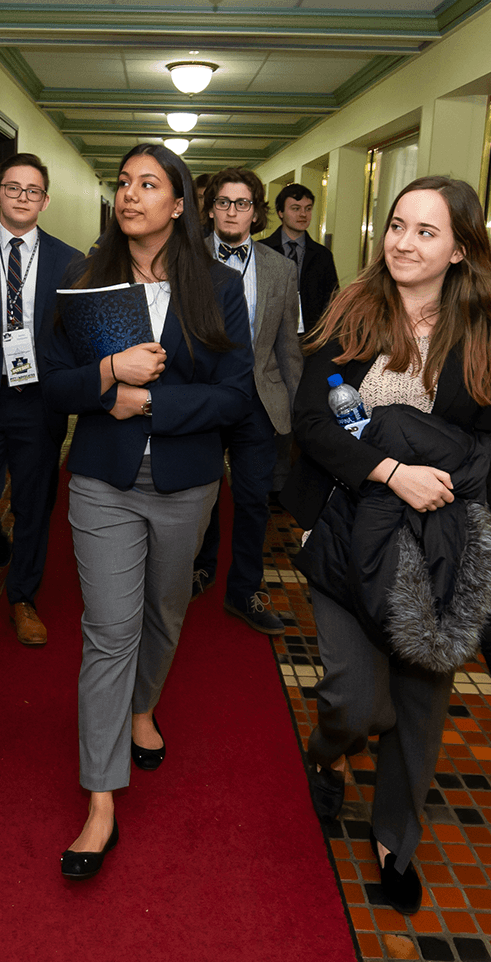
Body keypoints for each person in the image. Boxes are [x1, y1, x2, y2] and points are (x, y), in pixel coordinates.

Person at [281, 176, 491, 915]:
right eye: (396, 225)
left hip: (433, 547)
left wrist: (430, 475)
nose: (403, 242)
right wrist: (390, 468)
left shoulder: (484, 330)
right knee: (355, 702)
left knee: (418, 705)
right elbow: (314, 420)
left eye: (425, 231)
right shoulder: (350, 314)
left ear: (458, 249)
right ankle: (327, 757)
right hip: (341, 534)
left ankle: (395, 840)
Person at [41, 144, 253, 880]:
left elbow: (235, 395)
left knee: (163, 614)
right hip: (101, 479)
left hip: (186, 482)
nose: (130, 195)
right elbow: (53, 385)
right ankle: (100, 802)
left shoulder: (217, 288)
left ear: (177, 205)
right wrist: (107, 375)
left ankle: (143, 708)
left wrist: (151, 401)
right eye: (123, 183)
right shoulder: (81, 281)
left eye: (148, 184)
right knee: (108, 630)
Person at [0, 153, 78, 645]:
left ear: (44, 201)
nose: (23, 197)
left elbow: (76, 333)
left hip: (39, 399)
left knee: (33, 504)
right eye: (13, 188)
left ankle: (23, 596)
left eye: (33, 191)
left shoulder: (71, 261)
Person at [191, 168, 303, 633]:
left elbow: (287, 346)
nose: (233, 211)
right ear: (211, 207)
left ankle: (244, 590)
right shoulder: (186, 259)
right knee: (202, 492)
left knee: (254, 499)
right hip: (204, 396)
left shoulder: (280, 267)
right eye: (224, 202)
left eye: (242, 203)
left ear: (256, 212)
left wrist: (298, 413)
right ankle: (201, 565)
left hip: (260, 398)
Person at [261, 183, 338, 333]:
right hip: (269, 337)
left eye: (308, 209)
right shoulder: (262, 251)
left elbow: (332, 301)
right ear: (280, 212)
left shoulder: (323, 255)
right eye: (295, 208)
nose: (303, 214)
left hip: (311, 339)